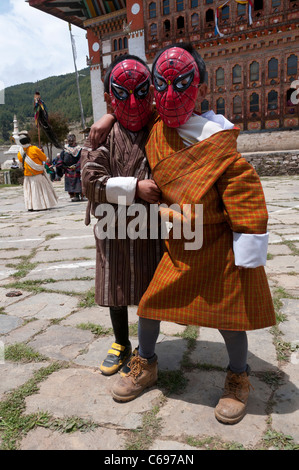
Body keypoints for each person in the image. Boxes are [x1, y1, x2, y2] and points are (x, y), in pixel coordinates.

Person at [110, 43, 276, 425]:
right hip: (180, 245)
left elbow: (243, 191)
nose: (169, 95)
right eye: (161, 84)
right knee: (151, 305)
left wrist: (247, 243)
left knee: (230, 319)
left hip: (218, 247)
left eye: (180, 82)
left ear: (197, 84)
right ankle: (146, 364)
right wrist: (105, 120)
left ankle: (238, 377)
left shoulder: (216, 138)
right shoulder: (155, 132)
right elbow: (131, 110)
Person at [80, 54, 162, 376]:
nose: (133, 101)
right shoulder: (99, 137)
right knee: (115, 283)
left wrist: (111, 115)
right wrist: (135, 188)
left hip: (146, 227)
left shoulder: (158, 129)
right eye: (122, 94)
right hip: (112, 226)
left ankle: (145, 346)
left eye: (141, 92)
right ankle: (120, 341)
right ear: (109, 96)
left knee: (145, 284)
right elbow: (90, 181)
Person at [17, 131, 58, 211]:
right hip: (37, 175)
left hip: (27, 176)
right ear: (29, 140)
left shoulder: (20, 152)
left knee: (30, 193)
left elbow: (21, 161)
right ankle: (41, 206)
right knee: (40, 192)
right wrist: (41, 152)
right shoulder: (34, 149)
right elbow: (45, 159)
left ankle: (31, 206)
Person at [56, 134, 85, 201]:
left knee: (77, 182)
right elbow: (61, 158)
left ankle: (77, 195)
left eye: (72, 140)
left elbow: (81, 158)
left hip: (76, 169)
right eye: (69, 140)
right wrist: (60, 165)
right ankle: (72, 195)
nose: (71, 142)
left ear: (75, 140)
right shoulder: (65, 149)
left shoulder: (79, 149)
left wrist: (77, 166)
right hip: (67, 169)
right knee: (70, 184)